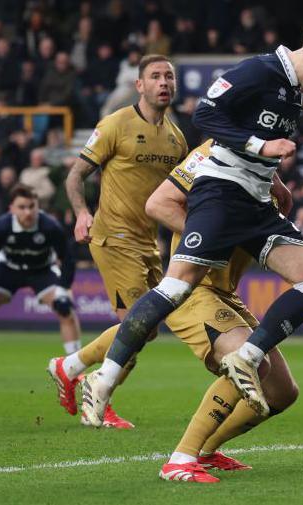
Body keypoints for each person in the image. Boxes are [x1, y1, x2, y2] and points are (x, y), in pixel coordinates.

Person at [79, 10, 303, 427]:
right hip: (221, 192)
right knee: (175, 288)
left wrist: (273, 176)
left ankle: (247, 357)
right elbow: (206, 115)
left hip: (254, 203)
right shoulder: (260, 70)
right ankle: (102, 378)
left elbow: (257, 139)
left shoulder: (294, 92)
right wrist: (261, 149)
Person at [48, 144, 303, 482]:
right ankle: (180, 459)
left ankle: (207, 451)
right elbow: (159, 204)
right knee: (250, 362)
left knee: (283, 391)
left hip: (226, 295)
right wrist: (209, 238)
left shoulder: (264, 177)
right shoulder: (216, 153)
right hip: (195, 291)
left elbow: (272, 243)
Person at [57, 54, 187, 426]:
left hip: (148, 243)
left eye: (169, 76)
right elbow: (74, 176)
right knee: (135, 325)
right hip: (113, 235)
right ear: (140, 85)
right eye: (156, 77)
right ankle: (97, 396)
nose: (164, 82)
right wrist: (82, 213)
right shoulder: (115, 124)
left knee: (147, 331)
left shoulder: (177, 138)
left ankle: (70, 368)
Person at [0, 184, 78, 381]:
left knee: (66, 310)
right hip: (8, 270)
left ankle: (75, 371)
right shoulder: (0, 226)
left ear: (38, 206)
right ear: (11, 208)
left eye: (31, 206)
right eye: (22, 207)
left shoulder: (50, 226)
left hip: (41, 271)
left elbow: (68, 258)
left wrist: (63, 290)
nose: (27, 212)